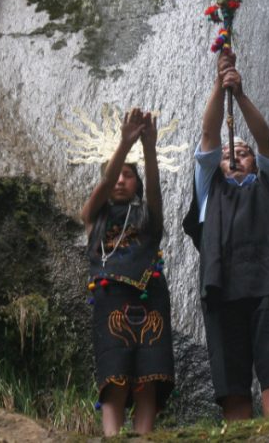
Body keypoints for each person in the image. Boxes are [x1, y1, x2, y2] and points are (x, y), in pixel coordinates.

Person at [182, 51, 269, 420]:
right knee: (232, 382)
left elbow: (267, 144)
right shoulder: (208, 189)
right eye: (227, 155)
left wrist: (241, 95)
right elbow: (208, 136)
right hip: (222, 288)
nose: (236, 156)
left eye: (244, 153)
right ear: (216, 166)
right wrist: (221, 89)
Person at [81, 108, 174, 436]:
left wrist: (149, 147)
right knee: (114, 375)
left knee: (148, 377)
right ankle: (112, 436)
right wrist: (125, 143)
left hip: (150, 298)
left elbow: (153, 186)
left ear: (137, 183)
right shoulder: (95, 216)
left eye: (128, 175)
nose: (120, 179)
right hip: (110, 301)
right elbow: (105, 183)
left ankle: (144, 437)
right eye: (116, 173)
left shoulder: (149, 216)